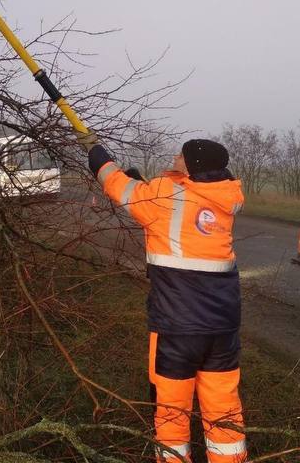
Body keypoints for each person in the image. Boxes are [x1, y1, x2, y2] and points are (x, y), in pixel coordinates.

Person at [84, 133, 248, 463]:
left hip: (177, 329)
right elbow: (180, 204)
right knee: (225, 414)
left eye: (180, 155)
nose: (175, 158)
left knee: (172, 415)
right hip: (222, 331)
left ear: (192, 165)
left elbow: (115, 184)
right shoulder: (221, 201)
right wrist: (146, 183)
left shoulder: (163, 195)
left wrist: (95, 151)